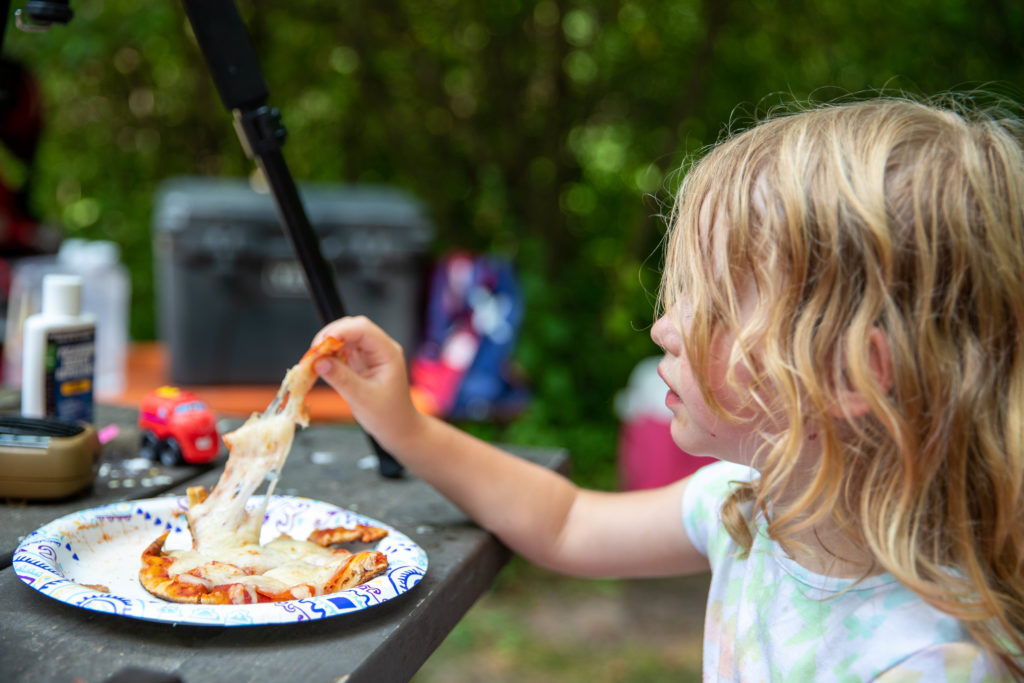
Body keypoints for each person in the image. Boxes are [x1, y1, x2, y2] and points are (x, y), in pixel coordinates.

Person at [311, 96, 1024, 680]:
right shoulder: (750, 508)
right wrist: (404, 424)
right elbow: (565, 521)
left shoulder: (931, 662)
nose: (663, 328)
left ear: (849, 372)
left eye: (709, 299)